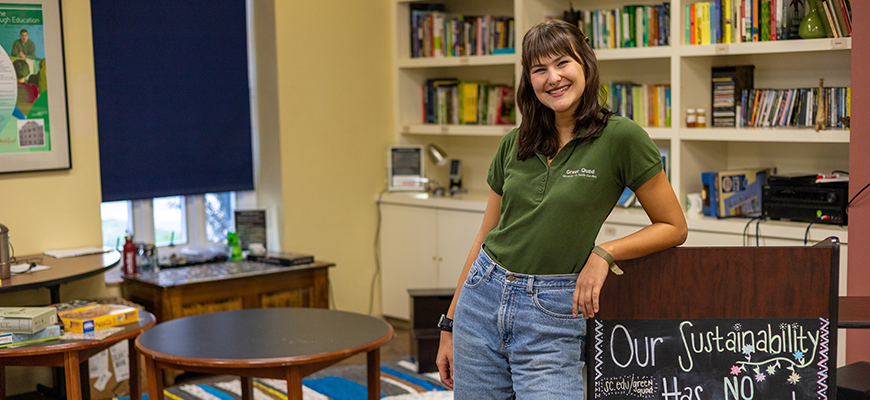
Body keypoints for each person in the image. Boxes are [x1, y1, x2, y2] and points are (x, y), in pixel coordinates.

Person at [435, 19, 687, 399]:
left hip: (552, 311)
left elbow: (673, 226)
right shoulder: (515, 142)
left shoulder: (621, 137)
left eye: (562, 63)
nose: (552, 78)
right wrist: (450, 324)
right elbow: (485, 236)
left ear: (584, 63)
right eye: (539, 69)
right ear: (529, 80)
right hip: (482, 298)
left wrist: (605, 253)